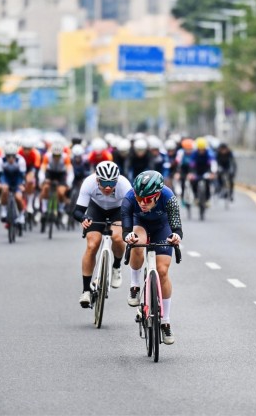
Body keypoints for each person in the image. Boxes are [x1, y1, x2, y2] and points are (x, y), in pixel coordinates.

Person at [121, 170, 183, 345]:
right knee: (137, 243)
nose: (142, 203)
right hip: (139, 224)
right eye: (139, 198)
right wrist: (128, 236)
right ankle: (134, 285)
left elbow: (176, 226)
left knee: (162, 271)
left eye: (147, 200)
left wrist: (176, 236)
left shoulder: (168, 196)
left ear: (157, 196)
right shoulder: (129, 198)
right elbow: (126, 224)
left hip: (162, 227)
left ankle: (166, 322)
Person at [72, 161, 132, 307]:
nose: (107, 187)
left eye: (112, 183)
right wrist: (83, 218)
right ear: (97, 179)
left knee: (118, 238)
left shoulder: (124, 185)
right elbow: (77, 211)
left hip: (118, 210)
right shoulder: (89, 183)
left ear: (117, 180)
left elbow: (132, 211)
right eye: (104, 182)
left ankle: (116, 267)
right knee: (92, 245)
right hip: (96, 209)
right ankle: (86, 290)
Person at [38, 141, 73, 230]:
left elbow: (70, 172)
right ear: (52, 154)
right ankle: (45, 210)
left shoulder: (65, 157)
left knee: (61, 192)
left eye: (58, 156)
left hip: (61, 174)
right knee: (45, 188)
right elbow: (42, 170)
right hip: (50, 173)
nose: (56, 157)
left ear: (61, 154)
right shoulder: (47, 156)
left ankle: (60, 210)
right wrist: (42, 180)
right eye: (55, 155)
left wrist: (69, 183)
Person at [0, 142, 27, 226]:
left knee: (18, 197)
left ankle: (21, 215)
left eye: (13, 156)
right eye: (8, 156)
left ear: (16, 155)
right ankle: (4, 210)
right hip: (6, 178)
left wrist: (22, 185)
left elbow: (23, 175)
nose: (11, 158)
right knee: (4, 189)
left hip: (17, 179)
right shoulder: (0, 160)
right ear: (5, 155)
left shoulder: (21, 160)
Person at [189, 137, 217, 203]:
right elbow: (191, 164)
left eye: (203, 149)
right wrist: (191, 173)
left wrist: (213, 172)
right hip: (197, 170)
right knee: (193, 181)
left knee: (208, 182)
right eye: (200, 149)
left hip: (206, 170)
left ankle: (207, 199)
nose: (201, 151)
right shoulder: (194, 154)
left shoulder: (209, 153)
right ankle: (196, 197)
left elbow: (213, 163)